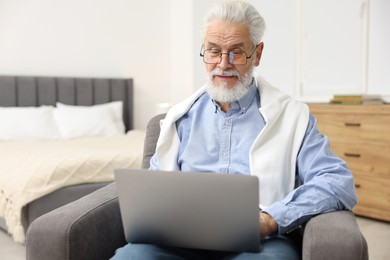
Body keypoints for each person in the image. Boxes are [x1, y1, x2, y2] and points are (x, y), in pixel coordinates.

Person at [111, 1, 357, 259]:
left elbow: (337, 181)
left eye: (236, 52)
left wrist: (271, 219)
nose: (223, 63)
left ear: (258, 54)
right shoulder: (179, 120)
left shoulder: (292, 117)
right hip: (181, 240)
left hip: (261, 241)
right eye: (214, 51)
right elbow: (154, 190)